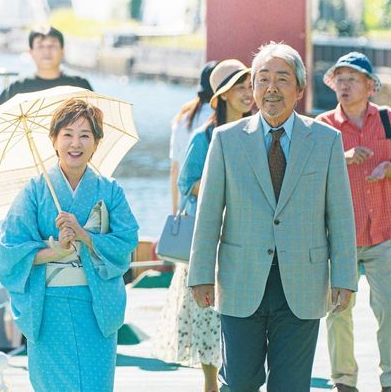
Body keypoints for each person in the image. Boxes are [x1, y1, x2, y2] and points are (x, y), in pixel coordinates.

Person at [188, 41, 358, 392]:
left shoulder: (326, 141)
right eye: (262, 79)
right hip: (240, 279)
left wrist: (345, 277)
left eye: (282, 79)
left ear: (299, 89)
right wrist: (200, 274)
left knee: (292, 385)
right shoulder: (225, 140)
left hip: (303, 282)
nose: (271, 88)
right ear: (252, 89)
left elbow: (340, 217)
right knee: (238, 382)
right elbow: (208, 215)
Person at [0, 98, 139, 391]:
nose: (76, 143)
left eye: (85, 135)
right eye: (68, 135)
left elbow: (127, 241)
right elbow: (10, 251)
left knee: (95, 383)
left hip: (95, 303)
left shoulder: (109, 190)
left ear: (97, 142)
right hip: (49, 305)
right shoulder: (35, 191)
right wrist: (55, 252)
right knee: (54, 384)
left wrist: (86, 236)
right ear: (54, 140)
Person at [318, 52, 391, 392]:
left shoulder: (388, 119)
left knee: (389, 307)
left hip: (383, 231)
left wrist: (388, 169)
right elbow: (312, 176)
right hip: (340, 236)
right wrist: (342, 159)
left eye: (352, 80)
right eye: (339, 80)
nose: (343, 86)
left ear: (369, 87)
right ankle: (343, 381)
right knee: (339, 310)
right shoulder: (324, 125)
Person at [153, 59, 253, 392]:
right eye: (241, 87)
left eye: (250, 86)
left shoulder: (260, 131)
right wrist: (222, 188)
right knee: (208, 314)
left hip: (248, 235)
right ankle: (212, 384)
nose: (248, 93)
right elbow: (186, 181)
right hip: (210, 236)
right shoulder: (205, 135)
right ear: (222, 94)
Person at [0, 26, 93, 132]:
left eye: (52, 46)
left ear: (62, 51)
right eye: (40, 46)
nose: (46, 51)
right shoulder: (17, 89)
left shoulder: (79, 85)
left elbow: (96, 121)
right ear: (31, 52)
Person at [169, 60, 218, 215]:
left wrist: (175, 211)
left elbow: (175, 169)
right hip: (211, 207)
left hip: (187, 208)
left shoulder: (182, 118)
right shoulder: (217, 120)